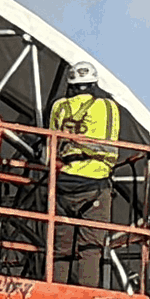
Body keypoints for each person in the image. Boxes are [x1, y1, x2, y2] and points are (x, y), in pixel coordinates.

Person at [48, 61, 122, 284]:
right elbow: (110, 144)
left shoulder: (58, 107)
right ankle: (86, 291)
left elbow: (52, 144)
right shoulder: (107, 107)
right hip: (95, 180)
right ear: (93, 84)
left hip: (64, 181)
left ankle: (56, 287)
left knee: (61, 245)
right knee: (90, 246)